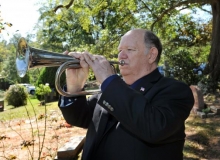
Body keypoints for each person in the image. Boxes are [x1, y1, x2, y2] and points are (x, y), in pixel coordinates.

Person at [58, 29, 194, 160]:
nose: (121, 56)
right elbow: (78, 118)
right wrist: (74, 86)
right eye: (120, 50)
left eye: (130, 50)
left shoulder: (175, 90)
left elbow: (154, 128)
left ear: (151, 55)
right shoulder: (109, 90)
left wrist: (109, 81)